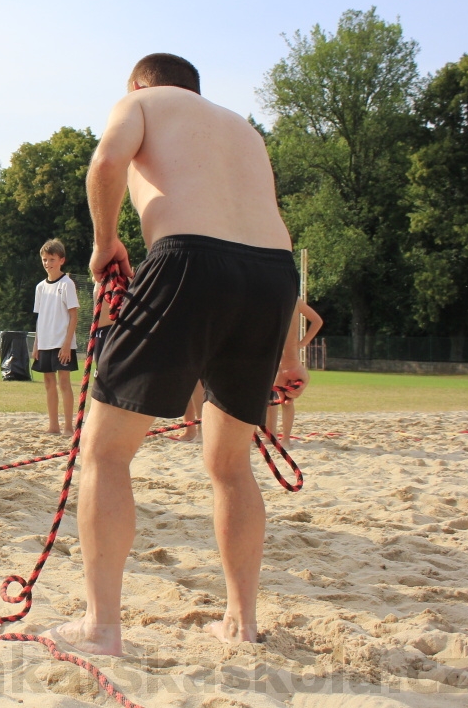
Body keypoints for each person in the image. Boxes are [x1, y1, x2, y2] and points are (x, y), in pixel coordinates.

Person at [50, 53, 308, 656]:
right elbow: (275, 233)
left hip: (189, 258)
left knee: (106, 452)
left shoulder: (141, 102)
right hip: (271, 277)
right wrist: (291, 353)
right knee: (230, 463)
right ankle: (241, 622)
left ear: (139, 82)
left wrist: (105, 241)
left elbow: (106, 163)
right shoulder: (243, 128)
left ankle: (101, 627)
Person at [32, 239, 81, 436]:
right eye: (44, 259)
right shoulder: (40, 287)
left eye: (52, 259)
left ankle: (69, 427)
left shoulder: (67, 284)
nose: (47, 263)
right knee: (49, 384)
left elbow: (74, 315)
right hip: (45, 342)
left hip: (62, 342)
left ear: (61, 260)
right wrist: (36, 345)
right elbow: (39, 318)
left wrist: (67, 344)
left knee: (64, 384)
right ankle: (54, 425)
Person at [267, 299, 323, 444]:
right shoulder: (284, 298)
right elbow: (317, 321)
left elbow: (317, 321)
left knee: (284, 401)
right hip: (278, 363)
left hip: (285, 364)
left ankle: (283, 438)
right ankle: (274, 436)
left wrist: (303, 343)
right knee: (273, 401)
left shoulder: (294, 300)